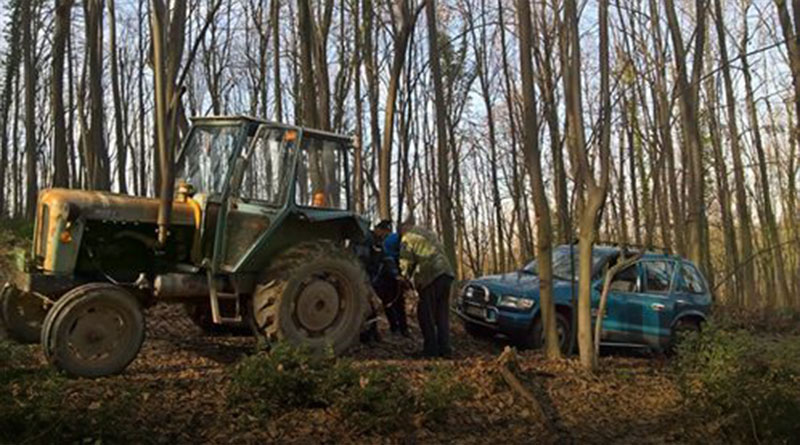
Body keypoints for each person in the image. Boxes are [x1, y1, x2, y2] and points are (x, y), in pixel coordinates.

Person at [399, 220, 455, 358]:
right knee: (442, 314)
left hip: (430, 275)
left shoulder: (407, 238)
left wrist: (403, 276)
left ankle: (431, 351)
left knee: (425, 314)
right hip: (446, 273)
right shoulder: (429, 233)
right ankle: (445, 349)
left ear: (402, 230)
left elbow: (406, 260)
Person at [370, 220, 409, 337]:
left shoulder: (389, 241)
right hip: (388, 275)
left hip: (389, 275)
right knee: (394, 303)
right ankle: (400, 329)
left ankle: (398, 328)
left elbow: (389, 258)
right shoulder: (387, 240)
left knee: (393, 302)